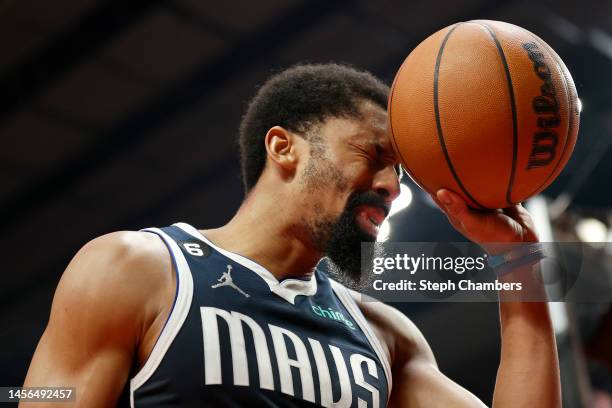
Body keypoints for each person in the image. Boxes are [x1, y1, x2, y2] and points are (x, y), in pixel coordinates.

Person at [22, 63, 560, 407]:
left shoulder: (383, 336)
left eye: (401, 172)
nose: (392, 186)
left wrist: (518, 265)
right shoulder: (136, 268)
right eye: (374, 156)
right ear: (283, 147)